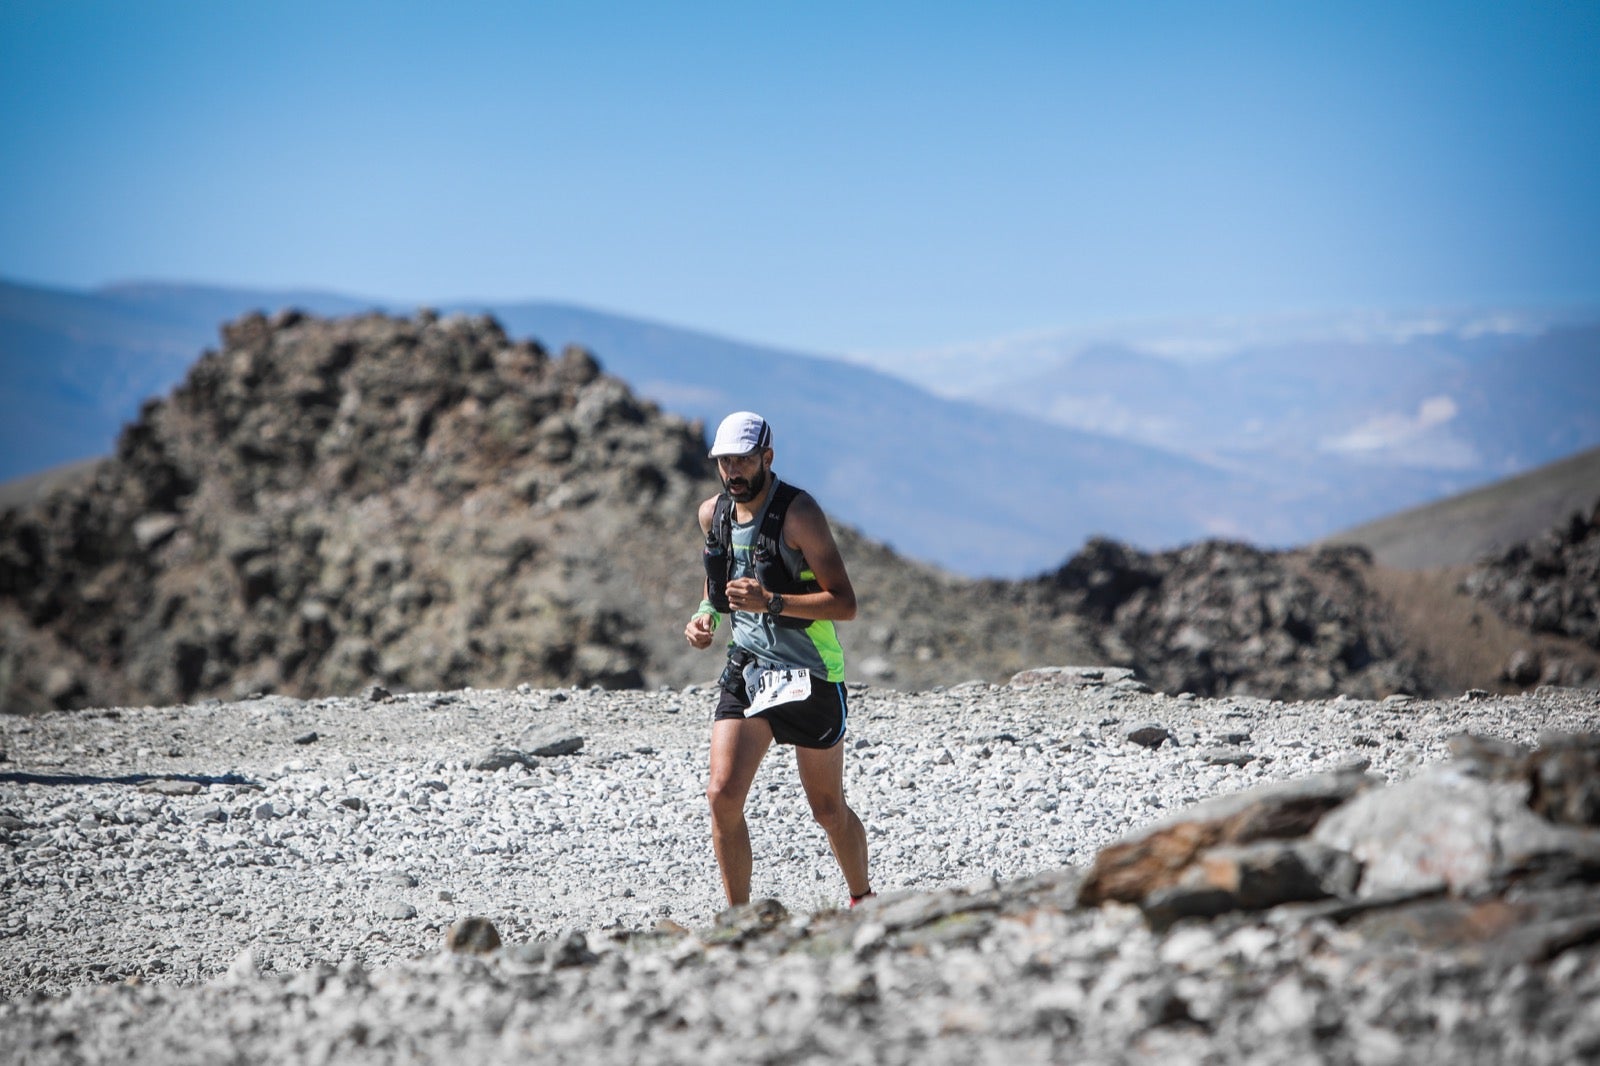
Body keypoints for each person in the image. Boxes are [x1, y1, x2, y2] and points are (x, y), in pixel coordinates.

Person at [684, 411, 874, 909]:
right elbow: (718, 583)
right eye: (725, 461)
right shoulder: (714, 514)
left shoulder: (799, 515)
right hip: (748, 669)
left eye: (744, 459)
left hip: (810, 674)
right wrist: (705, 616)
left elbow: (845, 603)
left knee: (828, 810)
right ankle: (739, 920)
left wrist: (771, 602)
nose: (734, 471)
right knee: (722, 795)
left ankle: (863, 900)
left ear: (767, 457)